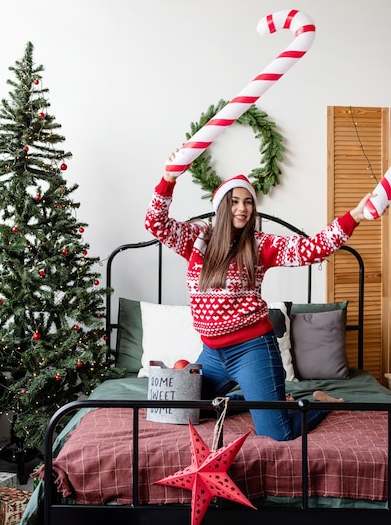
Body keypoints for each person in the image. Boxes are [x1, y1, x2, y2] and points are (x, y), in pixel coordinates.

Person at [144, 151, 375, 441]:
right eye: (235, 201)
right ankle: (266, 403)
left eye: (248, 202)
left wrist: (354, 216)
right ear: (222, 207)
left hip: (252, 350)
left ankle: (320, 403)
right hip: (212, 355)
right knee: (187, 409)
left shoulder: (260, 244)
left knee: (280, 432)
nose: (242, 209)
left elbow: (313, 248)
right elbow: (156, 224)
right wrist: (169, 178)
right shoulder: (197, 240)